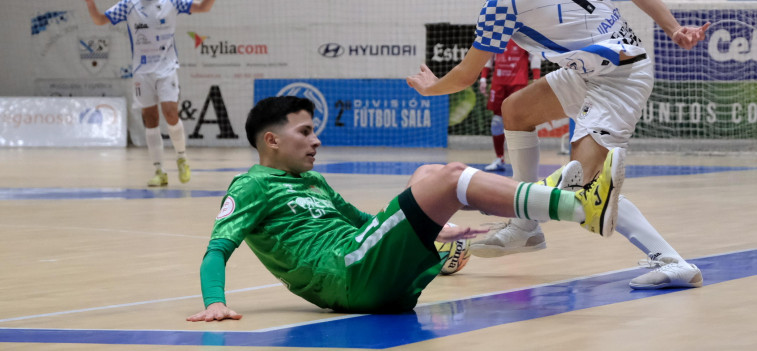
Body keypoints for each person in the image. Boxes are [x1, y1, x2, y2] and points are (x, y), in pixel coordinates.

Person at [406, 0, 709, 290]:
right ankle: (525, 226)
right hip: (592, 69)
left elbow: (467, 75)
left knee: (588, 186)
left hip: (618, 79)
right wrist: (674, 29)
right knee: (515, 110)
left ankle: (672, 261)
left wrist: (431, 88)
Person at [186, 96, 625, 321]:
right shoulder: (251, 185)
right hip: (347, 272)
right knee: (449, 178)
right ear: (272, 140)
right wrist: (214, 303)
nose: (316, 140)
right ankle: (577, 205)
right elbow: (216, 249)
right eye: (305, 131)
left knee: (431, 171)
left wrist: (436, 228)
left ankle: (567, 205)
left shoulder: (312, 181)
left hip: (363, 265)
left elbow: (362, 222)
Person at [81, 0, 225, 187]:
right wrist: (90, 2)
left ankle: (182, 158)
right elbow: (100, 20)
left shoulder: (171, 1)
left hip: (167, 68)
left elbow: (204, 7)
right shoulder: (129, 5)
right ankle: (159, 171)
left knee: (170, 113)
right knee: (150, 120)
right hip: (141, 72)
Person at [478, 45, 541, 171]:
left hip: (517, 84)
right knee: (496, 122)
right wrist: (483, 78)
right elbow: (488, 57)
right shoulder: (498, 36)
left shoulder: (522, 36)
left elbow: (535, 56)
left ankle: (524, 161)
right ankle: (499, 158)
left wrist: (536, 78)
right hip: (498, 84)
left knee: (519, 123)